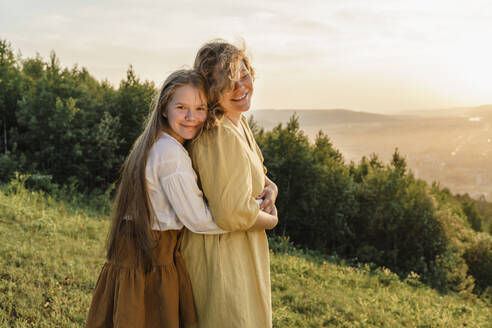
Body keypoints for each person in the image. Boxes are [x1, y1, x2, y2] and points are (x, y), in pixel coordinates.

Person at [85, 69, 226, 328]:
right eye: (181, 107)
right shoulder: (170, 154)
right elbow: (198, 220)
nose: (191, 117)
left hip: (138, 257)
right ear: (164, 108)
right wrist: (245, 217)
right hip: (152, 262)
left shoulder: (153, 143)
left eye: (200, 108)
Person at [180, 40, 279, 328]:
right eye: (227, 82)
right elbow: (232, 212)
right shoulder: (219, 134)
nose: (240, 87)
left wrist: (272, 188)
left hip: (240, 249)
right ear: (210, 91)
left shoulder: (238, 122)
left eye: (244, 74)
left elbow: (257, 173)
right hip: (222, 258)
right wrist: (272, 220)